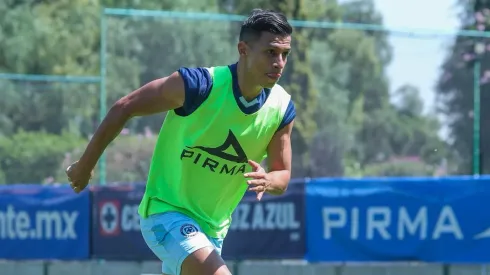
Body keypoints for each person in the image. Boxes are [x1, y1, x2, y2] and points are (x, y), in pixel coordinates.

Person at [66, 8, 296, 275]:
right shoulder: (199, 86)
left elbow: (283, 175)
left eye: (285, 54)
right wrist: (85, 166)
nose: (279, 62)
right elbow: (124, 107)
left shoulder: (281, 108)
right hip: (165, 213)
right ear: (243, 49)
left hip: (213, 230)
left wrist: (269, 180)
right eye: (271, 52)